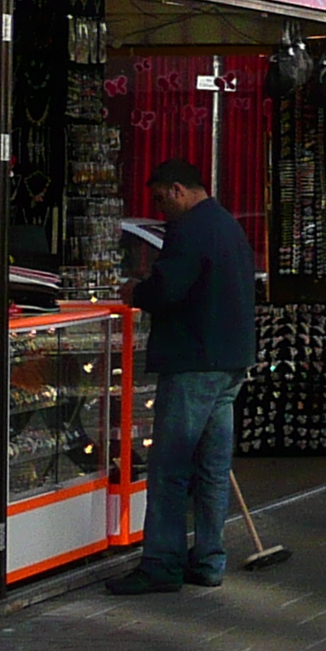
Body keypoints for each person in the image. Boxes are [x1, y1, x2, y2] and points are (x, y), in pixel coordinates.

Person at [107, 159, 256, 595]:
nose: (159, 208)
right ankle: (209, 557)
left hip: (193, 360)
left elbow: (167, 290)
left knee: (170, 466)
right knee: (211, 465)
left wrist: (138, 291)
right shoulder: (228, 226)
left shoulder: (189, 231)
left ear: (177, 190)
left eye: (159, 198)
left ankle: (161, 562)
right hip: (229, 360)